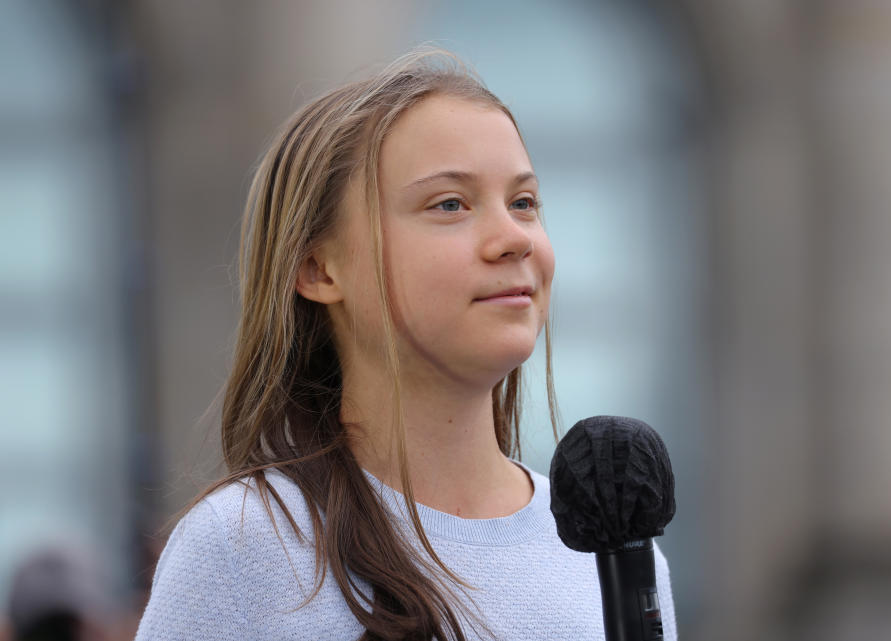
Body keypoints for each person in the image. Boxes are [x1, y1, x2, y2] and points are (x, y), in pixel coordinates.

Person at [135, 48, 677, 641]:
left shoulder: (611, 554)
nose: (512, 240)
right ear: (319, 269)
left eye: (524, 203)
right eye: (450, 204)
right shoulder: (247, 550)